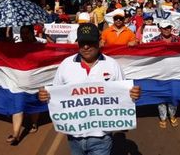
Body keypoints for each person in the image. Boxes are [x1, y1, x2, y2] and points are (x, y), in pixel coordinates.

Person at [38, 23, 141, 155]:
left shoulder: (112, 65)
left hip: (102, 137)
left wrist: (133, 94)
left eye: (90, 42)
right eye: (82, 43)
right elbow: (57, 94)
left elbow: (123, 95)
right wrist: (45, 95)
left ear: (99, 42)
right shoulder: (66, 65)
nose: (86, 47)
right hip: (74, 137)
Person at [150, 20, 180, 128]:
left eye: (168, 27)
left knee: (173, 95)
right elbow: (146, 55)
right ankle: (163, 117)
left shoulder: (178, 40)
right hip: (159, 73)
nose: (166, 30)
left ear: (171, 28)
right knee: (161, 96)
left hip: (174, 73)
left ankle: (172, 115)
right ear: (160, 29)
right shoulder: (154, 41)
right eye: (164, 28)